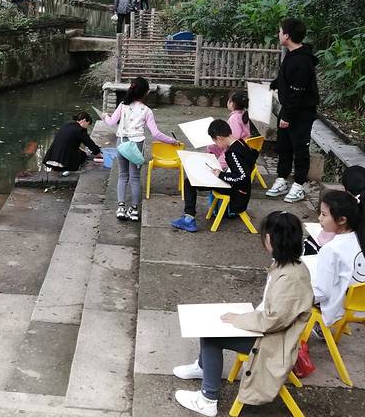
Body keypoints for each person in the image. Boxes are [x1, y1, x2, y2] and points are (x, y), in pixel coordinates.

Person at [173, 211, 313, 416]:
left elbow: (272, 320)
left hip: (274, 343)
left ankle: (208, 399)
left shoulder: (290, 278)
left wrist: (240, 319)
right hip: (273, 333)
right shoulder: (291, 266)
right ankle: (204, 368)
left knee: (212, 338)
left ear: (269, 239)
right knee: (210, 329)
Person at [103, 77, 178, 221]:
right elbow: (156, 133)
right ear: (146, 93)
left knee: (122, 175)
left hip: (122, 143)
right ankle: (134, 210)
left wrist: (105, 116)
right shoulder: (147, 111)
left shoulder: (123, 105)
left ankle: (121, 208)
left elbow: (111, 122)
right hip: (137, 145)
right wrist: (172, 141)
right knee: (135, 178)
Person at [266, 18, 319, 203]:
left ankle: (298, 185)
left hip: (301, 112)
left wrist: (287, 116)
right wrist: (274, 84)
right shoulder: (292, 54)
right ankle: (282, 179)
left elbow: (298, 91)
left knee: (300, 148)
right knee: (284, 146)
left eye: (280, 31)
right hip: (288, 108)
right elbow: (287, 78)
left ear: (287, 35)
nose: (278, 34)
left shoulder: (303, 60)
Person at [172, 119, 258, 233]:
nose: (217, 145)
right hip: (241, 189)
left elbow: (242, 176)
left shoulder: (233, 153)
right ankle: (188, 217)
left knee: (189, 183)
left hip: (237, 193)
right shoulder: (241, 143)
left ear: (218, 138)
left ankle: (189, 219)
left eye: (215, 142)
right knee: (191, 181)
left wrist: (221, 174)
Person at [312, 190, 365, 326]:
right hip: (360, 307)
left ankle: (319, 328)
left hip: (340, 310)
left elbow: (322, 292)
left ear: (342, 220)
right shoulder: (360, 239)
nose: (319, 218)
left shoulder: (331, 249)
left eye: (324, 214)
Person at [206, 90, 251, 170]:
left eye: (229, 100)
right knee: (211, 147)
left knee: (216, 161)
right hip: (244, 146)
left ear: (232, 103)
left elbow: (233, 138)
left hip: (235, 150)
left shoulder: (234, 118)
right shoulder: (243, 114)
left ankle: (213, 170)